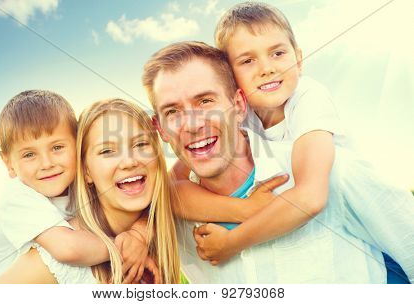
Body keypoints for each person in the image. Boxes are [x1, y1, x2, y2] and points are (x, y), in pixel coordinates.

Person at [202, 2, 414, 283]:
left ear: (299, 59)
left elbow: (310, 196)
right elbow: (177, 186)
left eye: (278, 53)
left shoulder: (308, 97)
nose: (267, 68)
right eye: (247, 60)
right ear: (230, 77)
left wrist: (232, 242)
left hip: (377, 237)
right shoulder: (241, 113)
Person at [141, 41, 387, 283]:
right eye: (172, 112)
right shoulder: (172, 223)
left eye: (205, 101)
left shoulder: (332, 170)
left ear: (238, 106)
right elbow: (168, 191)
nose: (192, 125)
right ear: (160, 129)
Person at [0, 98, 180, 283]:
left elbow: (178, 186)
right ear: (85, 171)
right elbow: (67, 248)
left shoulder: (166, 224)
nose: (129, 161)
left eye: (140, 145)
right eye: (107, 151)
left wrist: (139, 235)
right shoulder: (20, 198)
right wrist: (123, 249)